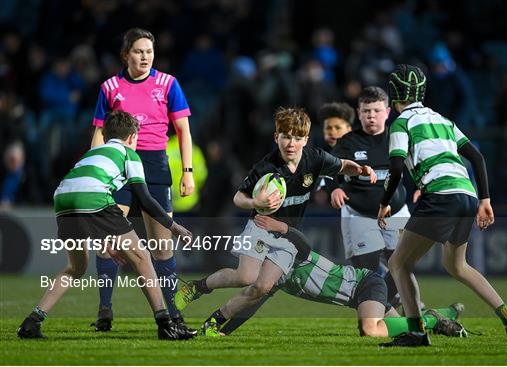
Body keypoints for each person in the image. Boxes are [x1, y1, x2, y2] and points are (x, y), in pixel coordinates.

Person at [175, 107, 376, 334]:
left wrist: (360, 169)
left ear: (305, 140)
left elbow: (342, 165)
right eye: (286, 136)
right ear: (276, 137)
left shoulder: (315, 158)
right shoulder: (266, 166)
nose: (291, 143)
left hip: (288, 236)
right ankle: (197, 287)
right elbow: (238, 197)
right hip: (260, 226)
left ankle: (215, 322)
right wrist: (255, 203)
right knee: (246, 276)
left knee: (262, 286)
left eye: (297, 138)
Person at [377, 64, 507, 347]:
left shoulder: (401, 124)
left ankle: (416, 333)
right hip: (466, 195)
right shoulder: (442, 120)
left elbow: (396, 168)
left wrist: (384, 203)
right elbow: (477, 157)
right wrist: (485, 199)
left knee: (399, 263)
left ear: (393, 94)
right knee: (457, 265)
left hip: (441, 196)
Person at [17, 111, 194, 340]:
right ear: (131, 137)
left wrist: (106, 239)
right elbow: (145, 199)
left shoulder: (92, 153)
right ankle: (165, 323)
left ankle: (32, 321)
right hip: (92, 198)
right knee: (142, 257)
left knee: (76, 268)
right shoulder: (128, 154)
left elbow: (83, 192)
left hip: (63, 200)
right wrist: (174, 227)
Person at [205, 215, 467, 340]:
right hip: (360, 296)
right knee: (401, 331)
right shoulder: (272, 278)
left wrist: (281, 228)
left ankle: (431, 319)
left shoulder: (290, 253)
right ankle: (439, 318)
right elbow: (249, 305)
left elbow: (302, 243)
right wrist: (220, 330)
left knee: (369, 330)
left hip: (366, 284)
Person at [89, 28, 195, 332]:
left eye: (149, 51)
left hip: (155, 167)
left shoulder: (168, 84)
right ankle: (105, 310)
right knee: (108, 242)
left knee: (162, 247)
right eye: (138, 51)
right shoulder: (110, 86)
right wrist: (96, 168)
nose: (145, 56)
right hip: (119, 163)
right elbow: (99, 131)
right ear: (126, 55)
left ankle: (173, 313)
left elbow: (183, 131)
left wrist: (187, 173)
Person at [329, 87, 414, 308]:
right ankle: (380, 309)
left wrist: (423, 186)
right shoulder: (348, 141)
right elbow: (331, 167)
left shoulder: (400, 138)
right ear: (358, 113)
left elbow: (417, 164)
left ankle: (381, 306)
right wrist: (336, 188)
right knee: (367, 271)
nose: (371, 116)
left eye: (376, 111)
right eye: (366, 111)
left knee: (403, 265)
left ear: (387, 112)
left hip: (395, 212)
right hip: (359, 214)